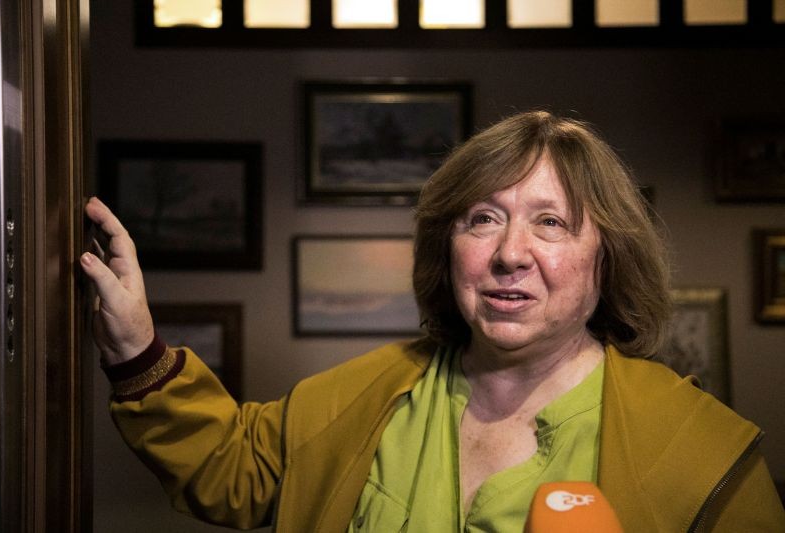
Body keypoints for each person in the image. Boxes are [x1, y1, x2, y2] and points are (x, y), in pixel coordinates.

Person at [81, 111, 785, 532]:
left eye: (551, 222)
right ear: (448, 249)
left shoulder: (706, 454)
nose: (511, 253)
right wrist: (138, 345)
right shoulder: (367, 393)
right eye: (483, 219)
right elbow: (230, 466)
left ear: (607, 258)